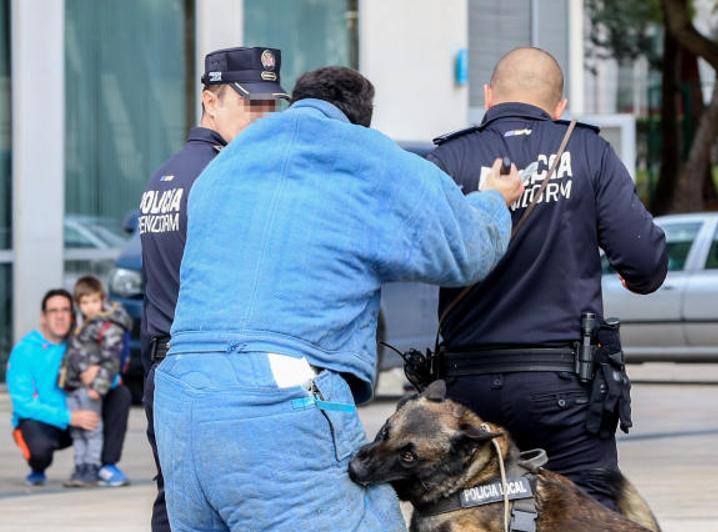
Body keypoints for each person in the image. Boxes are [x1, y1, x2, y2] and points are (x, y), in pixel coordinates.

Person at [153, 66, 523, 530]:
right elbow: (466, 250)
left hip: (180, 395)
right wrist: (493, 201)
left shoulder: (229, 160)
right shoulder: (368, 156)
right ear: (360, 121)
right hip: (275, 392)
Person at [426, 47, 668, 509]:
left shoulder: (447, 160)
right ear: (559, 107)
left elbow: (418, 257)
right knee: (588, 511)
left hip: (468, 389)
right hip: (564, 385)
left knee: (471, 515)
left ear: (488, 95)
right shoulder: (587, 151)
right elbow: (645, 264)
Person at [138, 46, 287, 531]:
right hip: (211, 369)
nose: (263, 116)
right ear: (211, 100)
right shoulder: (225, 174)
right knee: (238, 504)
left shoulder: (167, 173)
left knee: (178, 501)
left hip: (166, 371)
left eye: (270, 105)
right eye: (250, 103)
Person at [8, 289, 131, 488]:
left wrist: (99, 373)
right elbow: (23, 404)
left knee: (120, 395)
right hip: (49, 420)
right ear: (43, 317)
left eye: (65, 310)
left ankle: (106, 465)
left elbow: (114, 377)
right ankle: (37, 467)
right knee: (38, 451)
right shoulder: (24, 350)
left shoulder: (82, 343)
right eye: (53, 311)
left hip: (83, 413)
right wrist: (70, 417)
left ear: (73, 315)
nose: (60, 316)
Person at [59, 276, 131, 487]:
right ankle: (80, 466)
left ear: (102, 299)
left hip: (92, 388)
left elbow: (112, 360)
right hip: (75, 386)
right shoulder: (81, 323)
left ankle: (93, 466)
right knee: (78, 431)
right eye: (84, 302)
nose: (89, 307)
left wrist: (98, 386)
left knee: (91, 428)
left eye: (93, 301)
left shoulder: (108, 326)